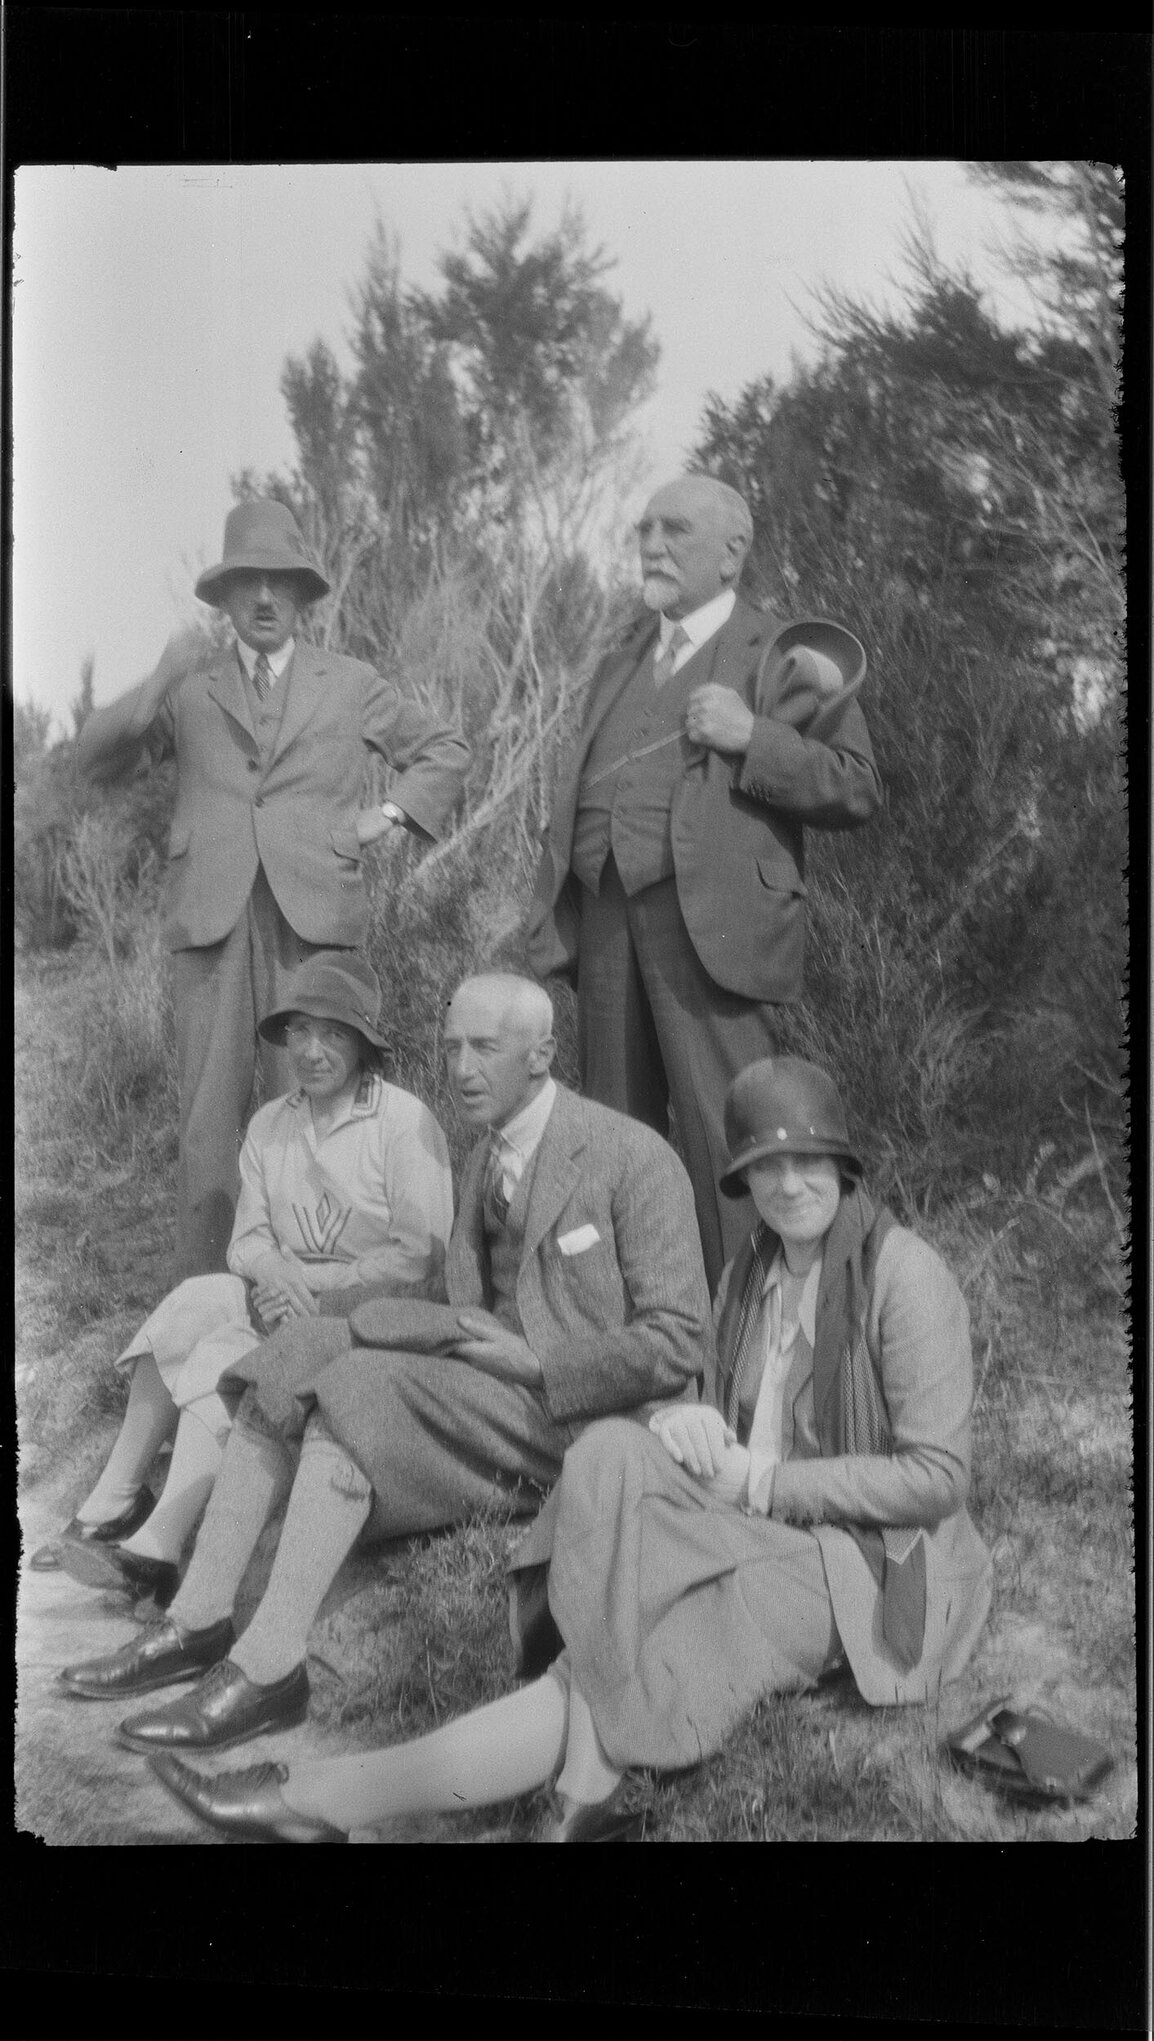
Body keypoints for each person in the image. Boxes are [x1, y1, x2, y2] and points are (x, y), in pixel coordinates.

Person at [143, 1055, 992, 1845]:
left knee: (603, 1668)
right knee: (608, 1450)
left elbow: (937, 1478)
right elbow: (708, 1397)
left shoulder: (902, 1275)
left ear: (843, 1165)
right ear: (744, 1179)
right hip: (744, 1508)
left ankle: (331, 1797)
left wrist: (764, 1481)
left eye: (809, 1161)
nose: (790, 1184)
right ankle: (584, 1778)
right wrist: (689, 1421)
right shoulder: (752, 1269)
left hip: (864, 1558)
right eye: (767, 1167)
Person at [58, 974, 711, 1759]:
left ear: (542, 1054)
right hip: (491, 1387)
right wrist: (321, 1310)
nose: (461, 1068)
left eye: (484, 1048)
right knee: (295, 1353)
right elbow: (448, 1292)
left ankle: (269, 1667)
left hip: (587, 1418)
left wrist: (543, 1363)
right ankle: (196, 1619)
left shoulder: (632, 1155)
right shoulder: (487, 1153)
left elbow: (681, 1340)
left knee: (357, 1387)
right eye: (452, 1047)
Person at [76, 499, 470, 1280]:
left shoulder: (350, 683)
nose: (263, 597)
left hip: (315, 922)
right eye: (247, 582)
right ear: (223, 598)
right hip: (212, 921)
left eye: (280, 582)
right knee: (208, 1117)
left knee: (312, 1104)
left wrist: (387, 815)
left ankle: (311, 1298)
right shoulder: (189, 689)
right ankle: (207, 1295)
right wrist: (157, 680)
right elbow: (93, 761)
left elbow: (446, 749)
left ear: (302, 595)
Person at [526, 472, 882, 1290]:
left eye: (675, 530)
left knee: (731, 1142)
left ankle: (750, 1325)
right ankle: (638, 1327)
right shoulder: (620, 659)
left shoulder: (782, 653)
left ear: (732, 553)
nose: (652, 545)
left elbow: (856, 785)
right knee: (612, 1142)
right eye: (645, 529)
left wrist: (753, 735)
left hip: (713, 934)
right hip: (607, 926)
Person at [31, 955, 453, 1606]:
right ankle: (114, 1499)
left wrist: (316, 1285)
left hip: (369, 1310)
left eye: (332, 1033)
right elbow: (246, 1242)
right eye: (299, 1031)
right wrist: (277, 1271)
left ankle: (160, 1545)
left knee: (221, 1351)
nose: (311, 1050)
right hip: (285, 1296)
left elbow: (420, 1257)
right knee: (193, 1303)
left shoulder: (402, 1122)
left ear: (364, 1044)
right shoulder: (271, 1123)